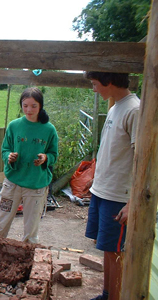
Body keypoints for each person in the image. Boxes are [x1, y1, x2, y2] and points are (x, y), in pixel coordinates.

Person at [84, 72, 140, 300]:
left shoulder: (134, 110)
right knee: (107, 248)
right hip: (103, 192)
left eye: (96, 84)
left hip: (119, 196)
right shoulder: (115, 107)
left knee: (117, 252)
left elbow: (143, 159)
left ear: (109, 82)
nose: (94, 89)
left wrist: (132, 202)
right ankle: (107, 294)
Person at [0, 87, 58, 243]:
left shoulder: (49, 129)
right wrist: (9, 156)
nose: (29, 109)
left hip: (36, 185)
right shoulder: (14, 126)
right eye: (25, 105)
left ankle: (28, 260)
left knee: (31, 229)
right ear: (21, 105)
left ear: (40, 106)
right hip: (13, 182)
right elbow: (5, 149)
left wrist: (45, 158)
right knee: (0, 222)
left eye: (33, 106)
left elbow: (54, 155)